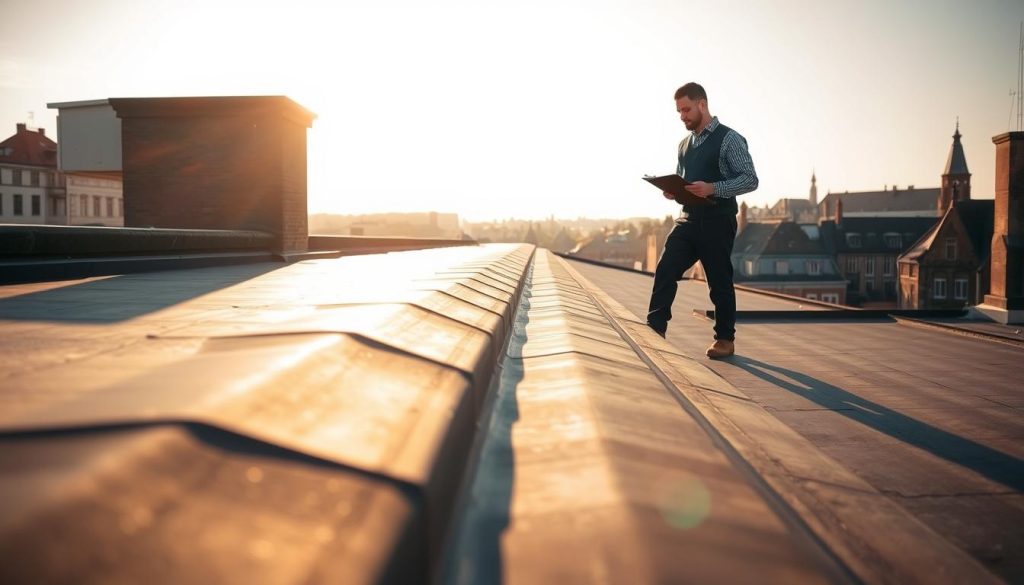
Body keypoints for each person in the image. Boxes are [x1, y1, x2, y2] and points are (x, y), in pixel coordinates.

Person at [646, 82, 758, 359]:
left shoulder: (730, 139)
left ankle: (724, 339)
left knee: (718, 280)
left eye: (686, 109)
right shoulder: (684, 144)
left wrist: (713, 188)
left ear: (702, 104)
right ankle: (655, 329)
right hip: (688, 219)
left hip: (718, 220)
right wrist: (674, 191)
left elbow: (750, 179)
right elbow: (683, 178)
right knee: (666, 268)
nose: (682, 115)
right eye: (679, 111)